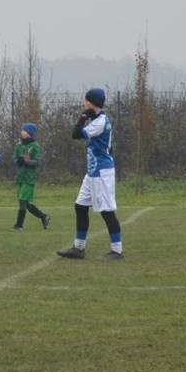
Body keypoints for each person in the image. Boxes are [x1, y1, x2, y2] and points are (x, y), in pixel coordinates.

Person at [58, 88, 123, 259]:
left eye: (85, 100)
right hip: (92, 172)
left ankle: (117, 251)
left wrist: (82, 117)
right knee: (80, 206)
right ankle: (79, 248)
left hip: (102, 172)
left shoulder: (100, 121)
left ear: (92, 102)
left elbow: (76, 134)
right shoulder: (97, 120)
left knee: (106, 211)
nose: (82, 103)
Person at [11, 122, 50, 231]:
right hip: (20, 178)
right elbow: (14, 158)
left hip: (29, 178)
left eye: (24, 130)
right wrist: (17, 161)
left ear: (29, 133)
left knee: (23, 201)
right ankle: (44, 217)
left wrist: (26, 161)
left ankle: (19, 225)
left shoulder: (35, 146)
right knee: (26, 204)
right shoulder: (18, 145)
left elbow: (36, 162)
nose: (22, 132)